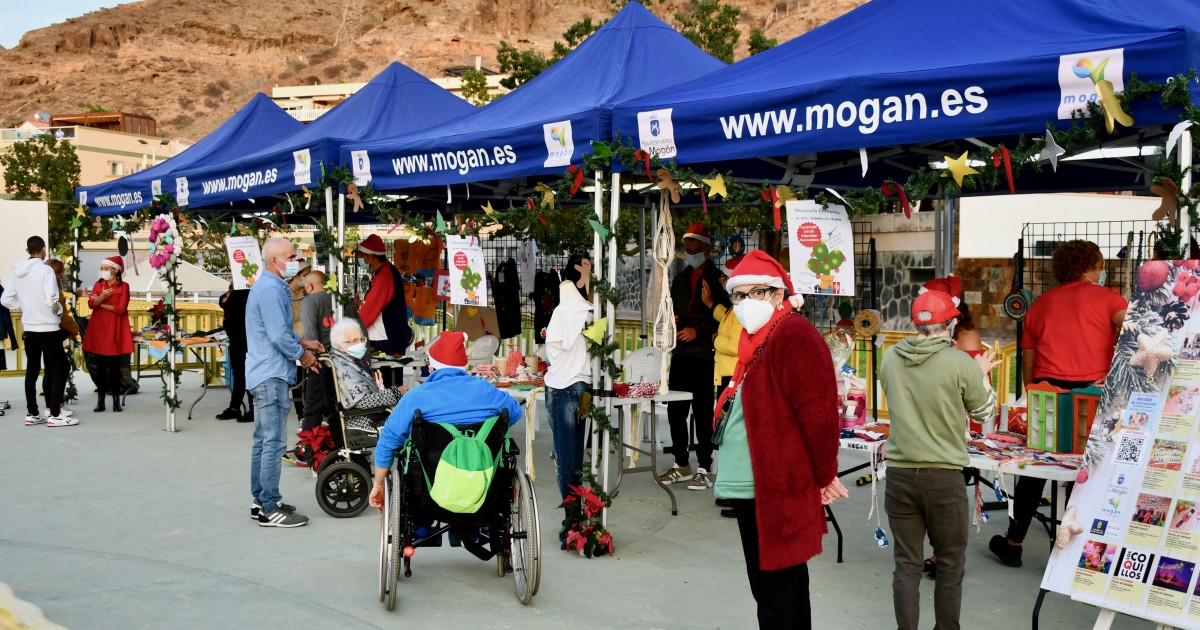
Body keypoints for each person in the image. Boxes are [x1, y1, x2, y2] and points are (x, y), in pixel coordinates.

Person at [712, 250, 846, 629]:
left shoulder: (794, 334)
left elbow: (818, 417)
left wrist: (823, 475)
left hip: (776, 485)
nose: (745, 303)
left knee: (778, 592)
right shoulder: (755, 338)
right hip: (751, 486)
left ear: (778, 293)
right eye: (738, 295)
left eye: (757, 292)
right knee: (773, 588)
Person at [991, 240, 1126, 567]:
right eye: (1100, 264)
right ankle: (1094, 549)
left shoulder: (1041, 304)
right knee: (1095, 468)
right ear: (1090, 265)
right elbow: (1132, 330)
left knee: (1036, 469)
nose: (1101, 270)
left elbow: (1029, 362)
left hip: (1047, 395)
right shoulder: (1109, 298)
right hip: (1093, 398)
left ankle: (1013, 542)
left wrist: (1033, 392)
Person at [880, 287, 998, 630]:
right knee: (949, 563)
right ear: (949, 326)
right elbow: (984, 411)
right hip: (944, 477)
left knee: (906, 563)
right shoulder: (960, 363)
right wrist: (982, 374)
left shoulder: (889, 358)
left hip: (900, 473)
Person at [368, 331, 524, 511]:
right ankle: (470, 531)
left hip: (429, 490)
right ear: (464, 368)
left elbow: (388, 440)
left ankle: (421, 530)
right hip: (483, 482)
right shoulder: (486, 390)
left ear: (431, 368)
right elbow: (514, 413)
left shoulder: (415, 397)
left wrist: (379, 484)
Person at [246, 237, 325, 528]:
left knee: (262, 441)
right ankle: (269, 507)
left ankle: (261, 501)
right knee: (273, 442)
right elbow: (279, 337)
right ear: (274, 260)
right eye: (291, 256)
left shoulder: (273, 286)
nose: (297, 260)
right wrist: (302, 355)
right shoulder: (269, 289)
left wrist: (305, 342)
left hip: (264, 371)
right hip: (270, 374)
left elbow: (279, 331)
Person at [660, 223, 730, 491]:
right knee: (675, 412)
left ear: (706, 250)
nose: (689, 254)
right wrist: (675, 321)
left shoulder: (718, 280)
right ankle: (681, 464)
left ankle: (704, 466)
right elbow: (675, 312)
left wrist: (698, 330)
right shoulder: (679, 279)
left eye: (694, 250)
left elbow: (726, 319)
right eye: (686, 250)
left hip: (705, 357)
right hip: (681, 354)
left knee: (703, 414)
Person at [2, 236, 72, 426]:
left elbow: (5, 300)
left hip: (30, 328)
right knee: (59, 369)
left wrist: (26, 306)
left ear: (27, 251)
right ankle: (55, 414)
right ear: (43, 249)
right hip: (48, 328)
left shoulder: (16, 272)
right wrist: (57, 311)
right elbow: (52, 299)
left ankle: (32, 413)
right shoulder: (46, 270)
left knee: (31, 371)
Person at [543, 253, 593, 504]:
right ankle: (577, 516)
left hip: (561, 389)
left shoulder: (562, 313)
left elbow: (552, 353)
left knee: (565, 457)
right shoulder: (590, 313)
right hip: (583, 389)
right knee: (577, 456)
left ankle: (571, 518)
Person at [355, 234, 411, 386]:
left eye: (361, 256)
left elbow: (370, 312)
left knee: (387, 385)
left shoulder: (385, 276)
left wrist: (353, 331)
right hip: (385, 338)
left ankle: (389, 410)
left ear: (370, 257)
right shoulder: (381, 273)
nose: (360, 260)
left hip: (387, 341)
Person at [82, 256, 133, 413]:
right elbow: (91, 304)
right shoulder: (99, 284)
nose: (102, 271)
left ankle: (116, 401)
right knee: (101, 368)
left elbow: (121, 309)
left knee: (115, 367)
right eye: (102, 268)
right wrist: (103, 296)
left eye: (105, 268)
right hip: (99, 329)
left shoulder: (124, 286)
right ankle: (101, 401)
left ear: (115, 270)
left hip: (115, 329)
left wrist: (101, 302)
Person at [45, 259, 79, 417]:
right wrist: (74, 328)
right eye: (60, 272)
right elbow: (63, 315)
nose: (63, 274)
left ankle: (52, 405)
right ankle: (56, 407)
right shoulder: (55, 291)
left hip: (38, 332)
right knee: (61, 368)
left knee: (49, 370)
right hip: (53, 331)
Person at [300, 270, 333, 432]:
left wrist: (312, 357)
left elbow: (310, 332)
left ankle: (308, 450)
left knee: (313, 409)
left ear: (310, 286)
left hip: (321, 360)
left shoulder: (310, 301)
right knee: (336, 407)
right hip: (342, 361)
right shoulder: (341, 301)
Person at [216, 286, 252, 422]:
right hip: (237, 339)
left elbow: (227, 303)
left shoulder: (245, 294)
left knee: (245, 374)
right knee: (239, 374)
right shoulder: (235, 295)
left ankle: (250, 409)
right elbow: (223, 302)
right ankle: (235, 407)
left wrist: (230, 295)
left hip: (245, 339)